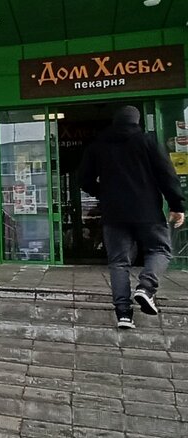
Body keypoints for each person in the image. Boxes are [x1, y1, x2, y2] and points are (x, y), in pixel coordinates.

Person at [79, 105, 186, 330]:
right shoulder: (147, 141)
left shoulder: (98, 145)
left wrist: (104, 193)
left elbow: (84, 180)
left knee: (119, 262)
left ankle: (124, 314)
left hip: (114, 213)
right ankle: (146, 287)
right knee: (160, 250)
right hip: (147, 211)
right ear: (137, 121)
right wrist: (176, 205)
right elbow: (166, 174)